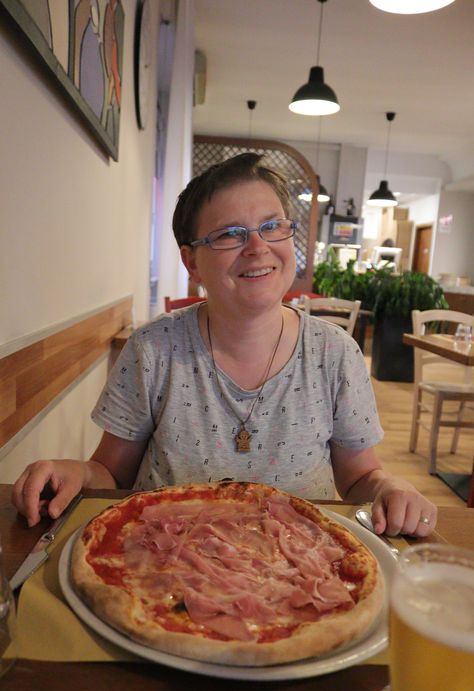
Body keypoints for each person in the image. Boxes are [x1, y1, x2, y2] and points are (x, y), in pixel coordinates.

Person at [12, 153, 437, 538]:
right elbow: (110, 473)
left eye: (272, 226)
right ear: (191, 261)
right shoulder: (153, 349)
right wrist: (76, 474)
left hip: (302, 562)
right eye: (230, 235)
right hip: (165, 560)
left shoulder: (336, 353)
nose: (258, 247)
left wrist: (389, 487)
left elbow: (359, 477)